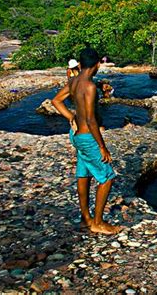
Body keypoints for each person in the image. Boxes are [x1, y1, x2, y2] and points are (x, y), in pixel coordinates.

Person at [52, 47, 121, 235]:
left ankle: (85, 219)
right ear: (97, 64)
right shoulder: (90, 87)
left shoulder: (73, 81)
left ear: (80, 64)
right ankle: (97, 222)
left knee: (84, 175)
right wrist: (102, 147)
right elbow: (91, 120)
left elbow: (56, 101)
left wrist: (70, 118)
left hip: (75, 136)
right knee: (107, 178)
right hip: (88, 138)